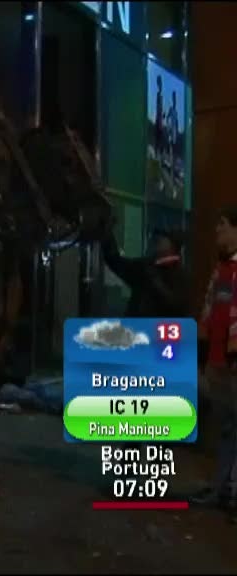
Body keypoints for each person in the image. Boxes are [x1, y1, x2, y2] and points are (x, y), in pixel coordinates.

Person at [190, 206, 237, 521]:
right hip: (218, 363)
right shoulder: (220, 269)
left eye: (222, 224)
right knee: (227, 429)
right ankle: (221, 489)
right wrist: (203, 355)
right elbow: (209, 314)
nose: (217, 230)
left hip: (233, 364)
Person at [100, 224, 190, 318]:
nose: (158, 239)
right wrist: (107, 234)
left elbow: (178, 306)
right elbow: (116, 262)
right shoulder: (145, 266)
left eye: (164, 236)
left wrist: (158, 284)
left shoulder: (179, 275)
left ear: (173, 245)